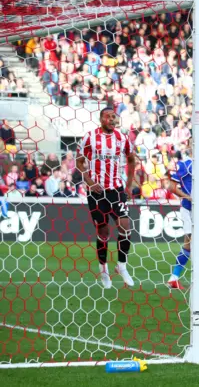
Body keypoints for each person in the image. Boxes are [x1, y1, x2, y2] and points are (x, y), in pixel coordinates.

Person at [76, 107, 136, 289]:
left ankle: (122, 266)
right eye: (108, 117)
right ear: (101, 119)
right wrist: (89, 181)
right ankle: (104, 270)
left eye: (114, 117)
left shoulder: (122, 138)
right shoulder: (89, 137)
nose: (112, 119)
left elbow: (132, 159)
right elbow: (79, 161)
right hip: (96, 192)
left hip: (116, 189)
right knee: (103, 232)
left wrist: (129, 184)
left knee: (125, 227)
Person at [166, 149, 199, 291]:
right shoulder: (184, 165)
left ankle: (177, 279)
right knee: (193, 243)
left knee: (195, 244)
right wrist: (187, 197)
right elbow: (171, 187)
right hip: (188, 209)